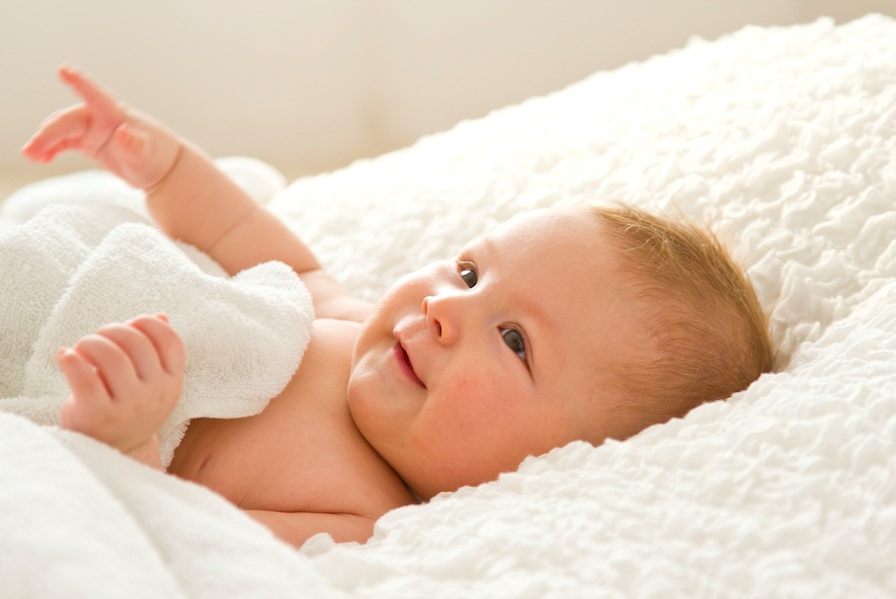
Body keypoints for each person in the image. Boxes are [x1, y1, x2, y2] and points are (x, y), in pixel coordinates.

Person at [21, 66, 774, 547]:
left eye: (514, 339)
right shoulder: (346, 319)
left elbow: (176, 538)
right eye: (470, 272)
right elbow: (232, 230)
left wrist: (124, 443)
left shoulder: (359, 517)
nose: (446, 308)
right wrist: (163, 166)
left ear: (561, 462)